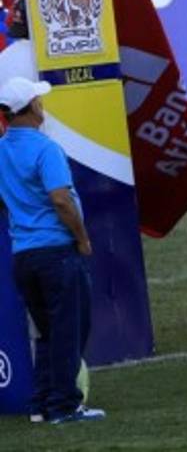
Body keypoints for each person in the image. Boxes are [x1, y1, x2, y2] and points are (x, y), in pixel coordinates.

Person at [0, 77, 104, 423]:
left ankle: (42, 404)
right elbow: (60, 199)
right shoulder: (46, 149)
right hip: (56, 252)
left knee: (47, 331)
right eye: (38, 100)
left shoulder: (1, 149)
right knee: (69, 329)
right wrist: (82, 238)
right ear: (31, 107)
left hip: (24, 255)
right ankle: (64, 406)